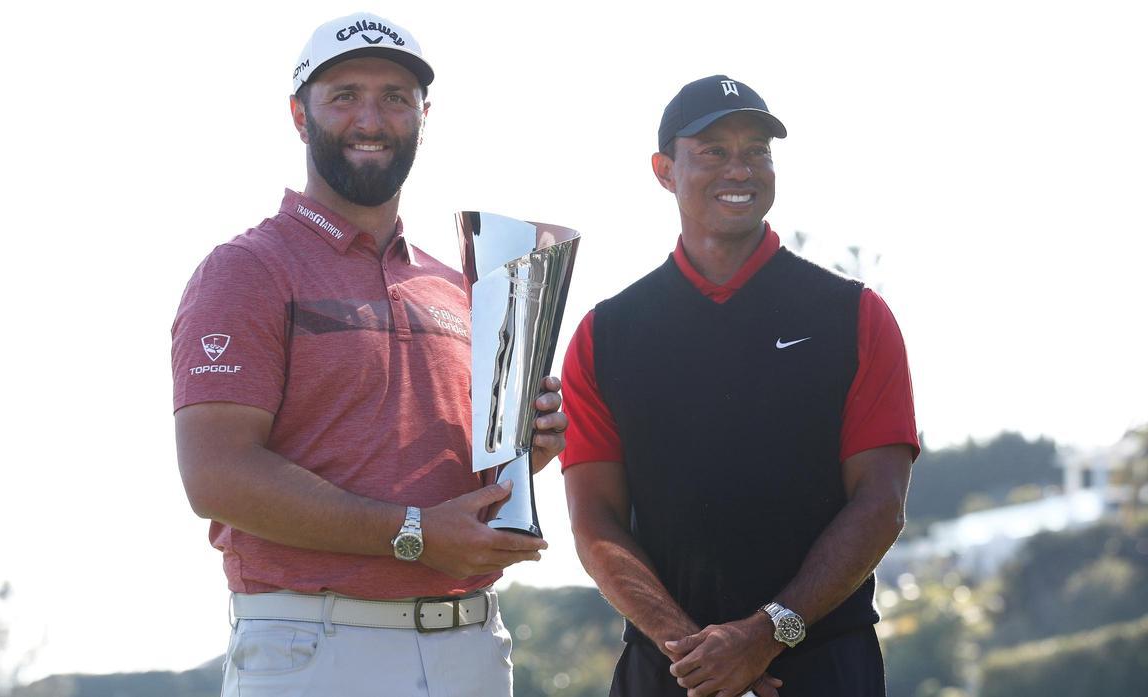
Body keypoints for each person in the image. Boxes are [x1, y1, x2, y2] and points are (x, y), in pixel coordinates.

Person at [170, 13, 566, 697]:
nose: (372, 117)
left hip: (472, 644)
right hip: (316, 647)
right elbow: (216, 474)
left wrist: (527, 450)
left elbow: (457, 488)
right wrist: (414, 533)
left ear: (423, 114)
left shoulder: (460, 285)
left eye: (395, 97)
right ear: (300, 114)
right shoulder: (247, 270)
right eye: (345, 94)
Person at [561, 75, 919, 697]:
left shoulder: (854, 316)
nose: (740, 169)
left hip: (824, 665)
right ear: (664, 169)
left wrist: (765, 634)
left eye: (756, 150)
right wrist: (699, 654)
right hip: (670, 670)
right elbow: (596, 521)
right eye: (713, 151)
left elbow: (880, 503)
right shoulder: (606, 335)